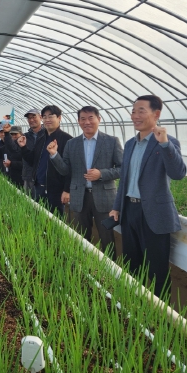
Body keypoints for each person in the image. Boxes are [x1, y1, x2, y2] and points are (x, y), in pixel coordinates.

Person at [109, 95, 187, 298]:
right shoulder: (130, 144)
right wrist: (117, 207)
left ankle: (162, 312)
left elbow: (178, 173)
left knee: (157, 269)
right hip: (129, 210)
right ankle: (134, 303)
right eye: (133, 111)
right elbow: (124, 179)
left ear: (156, 114)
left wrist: (165, 144)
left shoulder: (167, 142)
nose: (135, 115)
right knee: (132, 264)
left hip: (154, 213)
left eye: (141, 111)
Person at [47, 106, 123, 259]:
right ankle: (83, 265)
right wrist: (54, 155)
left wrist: (101, 174)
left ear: (98, 119)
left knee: (107, 237)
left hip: (104, 197)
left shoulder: (111, 141)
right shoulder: (72, 143)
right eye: (83, 119)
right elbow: (65, 170)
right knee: (81, 237)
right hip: (79, 196)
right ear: (78, 121)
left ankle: (110, 269)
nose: (87, 122)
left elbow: (123, 169)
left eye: (90, 118)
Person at [18, 105, 72, 215]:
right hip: (38, 186)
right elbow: (33, 161)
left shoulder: (67, 140)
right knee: (38, 217)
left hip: (56, 190)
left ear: (59, 118)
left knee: (55, 220)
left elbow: (71, 168)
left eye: (51, 116)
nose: (47, 120)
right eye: (45, 117)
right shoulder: (41, 138)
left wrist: (67, 190)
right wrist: (23, 147)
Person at [19, 109, 44, 196]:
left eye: (34, 117)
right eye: (29, 118)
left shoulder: (47, 134)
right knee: (28, 201)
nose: (31, 120)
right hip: (28, 176)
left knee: (43, 202)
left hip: (43, 178)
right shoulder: (24, 137)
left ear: (40, 117)